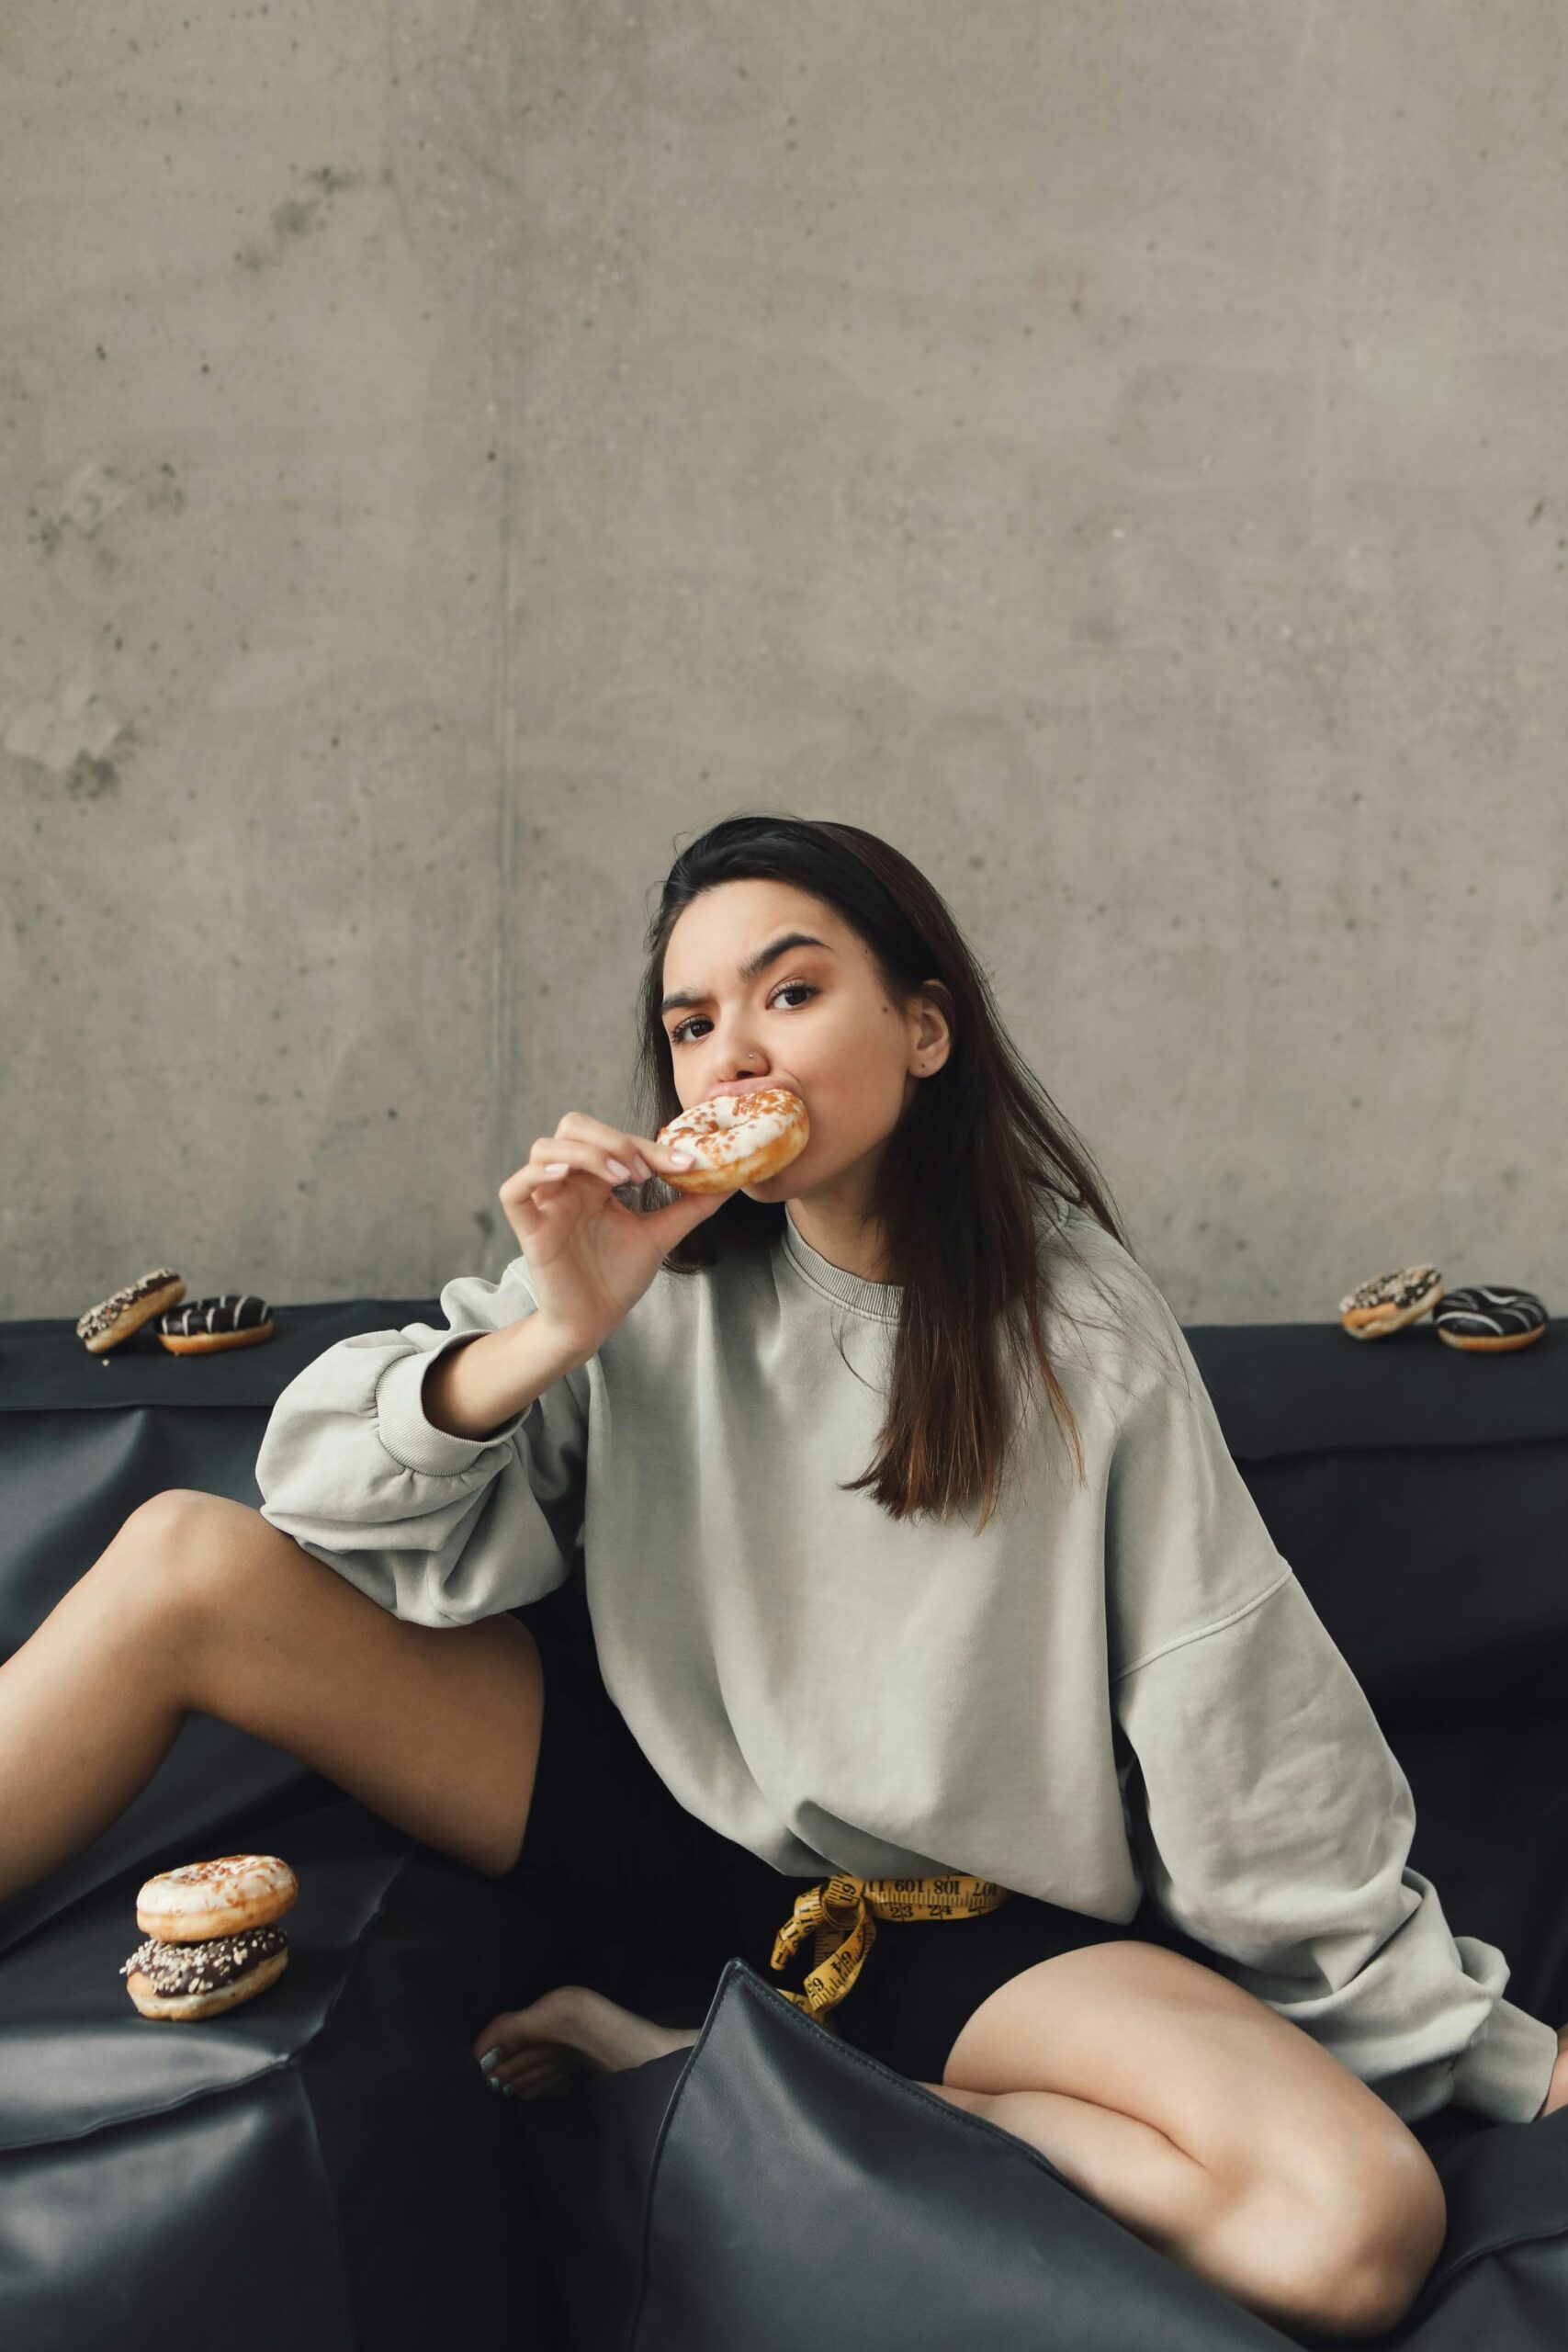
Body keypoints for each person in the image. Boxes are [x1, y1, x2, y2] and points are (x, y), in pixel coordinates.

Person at [3, 814, 1563, 2341]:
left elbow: (1239, 1719)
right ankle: (745, 2048)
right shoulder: (646, 1267)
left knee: (1354, 2224)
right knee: (180, 1561)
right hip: (644, 1824)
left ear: (925, 1027)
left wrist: (1484, 2053)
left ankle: (733, 2071)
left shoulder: (1076, 1330)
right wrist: (555, 1328)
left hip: (967, 1926)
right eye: (692, 1024)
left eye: (790, 993)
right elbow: (317, 1495)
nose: (730, 1054)